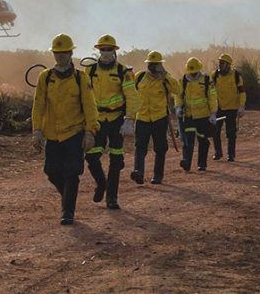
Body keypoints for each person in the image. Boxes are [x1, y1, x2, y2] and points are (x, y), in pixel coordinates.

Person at [32, 33, 98, 225]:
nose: (60, 56)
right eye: (57, 53)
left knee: (72, 172)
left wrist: (90, 132)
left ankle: (68, 211)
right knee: (52, 172)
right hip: (52, 135)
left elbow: (90, 106)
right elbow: (38, 106)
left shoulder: (81, 78)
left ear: (70, 53)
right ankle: (67, 197)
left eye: (63, 53)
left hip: (74, 132)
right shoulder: (45, 78)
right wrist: (37, 131)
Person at [84, 34, 140, 209]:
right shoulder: (90, 71)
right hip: (97, 121)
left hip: (116, 121)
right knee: (91, 157)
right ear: (98, 51)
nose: (106, 53)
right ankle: (102, 184)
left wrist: (129, 120)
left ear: (115, 51)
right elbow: (83, 98)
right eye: (103, 50)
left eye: (109, 50)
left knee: (116, 160)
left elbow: (132, 97)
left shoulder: (124, 72)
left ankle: (112, 198)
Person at [131, 51, 179, 185]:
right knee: (140, 147)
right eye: (150, 64)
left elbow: (178, 90)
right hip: (142, 117)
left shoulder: (166, 79)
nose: (152, 67)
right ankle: (138, 172)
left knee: (160, 148)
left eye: (155, 64)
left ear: (160, 65)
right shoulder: (140, 77)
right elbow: (131, 93)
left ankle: (158, 175)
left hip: (160, 118)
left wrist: (164, 74)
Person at [175, 57, 218, 172]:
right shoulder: (183, 81)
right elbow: (178, 96)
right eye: (191, 72)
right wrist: (178, 108)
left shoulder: (207, 80)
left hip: (203, 116)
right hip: (189, 116)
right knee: (188, 141)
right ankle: (186, 163)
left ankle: (202, 164)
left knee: (203, 141)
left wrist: (213, 113)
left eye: (195, 72)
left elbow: (212, 97)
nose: (193, 74)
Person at [212, 53, 246, 161]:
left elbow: (242, 92)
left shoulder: (236, 75)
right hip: (218, 108)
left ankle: (231, 154)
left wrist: (241, 106)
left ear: (228, 64)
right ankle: (218, 153)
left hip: (232, 108)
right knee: (215, 131)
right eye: (219, 62)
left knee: (230, 132)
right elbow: (209, 92)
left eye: (222, 63)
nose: (220, 65)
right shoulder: (214, 75)